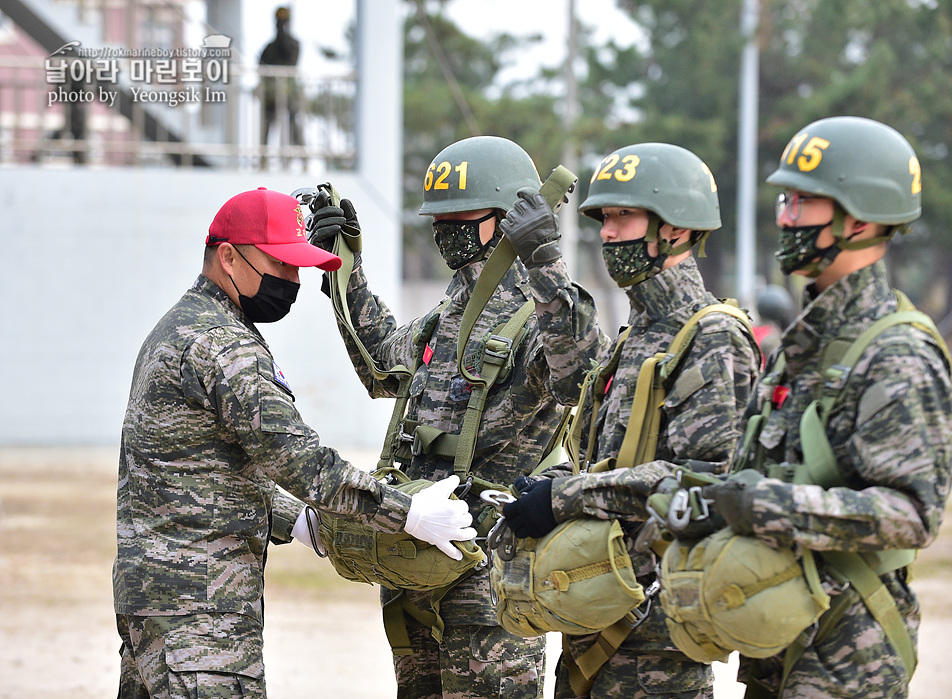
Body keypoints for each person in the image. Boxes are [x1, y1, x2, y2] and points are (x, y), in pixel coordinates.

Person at [113, 187, 474, 699]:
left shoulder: (180, 327)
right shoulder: (225, 348)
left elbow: (202, 473)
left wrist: (301, 523)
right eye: (280, 265)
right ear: (229, 257)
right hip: (203, 624)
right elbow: (301, 461)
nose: (292, 280)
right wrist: (406, 512)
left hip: (155, 607)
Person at [307, 135, 607, 699]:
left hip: (490, 575)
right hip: (416, 563)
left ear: (505, 217)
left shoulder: (538, 313)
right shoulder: (447, 315)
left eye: (459, 214)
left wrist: (543, 258)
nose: (445, 228)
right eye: (438, 217)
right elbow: (380, 365)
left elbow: (579, 371)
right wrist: (344, 268)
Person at [701, 116, 952, 697]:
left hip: (849, 655)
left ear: (861, 217)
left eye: (805, 202)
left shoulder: (896, 351)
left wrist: (768, 506)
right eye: (785, 200)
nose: (786, 217)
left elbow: (913, 514)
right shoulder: (804, 342)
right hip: (781, 631)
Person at [501, 142, 762, 699]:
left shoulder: (712, 337)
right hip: (598, 612)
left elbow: (703, 481)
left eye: (625, 216)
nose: (609, 232)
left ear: (677, 228)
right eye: (604, 218)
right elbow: (597, 427)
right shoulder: (636, 338)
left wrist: (562, 499)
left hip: (658, 645)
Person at [258, 6, 301, 165]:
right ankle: (263, 158)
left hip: (289, 93)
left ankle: (302, 157)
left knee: (294, 125)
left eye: (283, 22)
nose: (280, 25)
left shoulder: (293, 44)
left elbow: (289, 56)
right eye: (279, 22)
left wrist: (283, 32)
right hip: (271, 94)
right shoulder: (269, 48)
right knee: (267, 125)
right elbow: (261, 66)